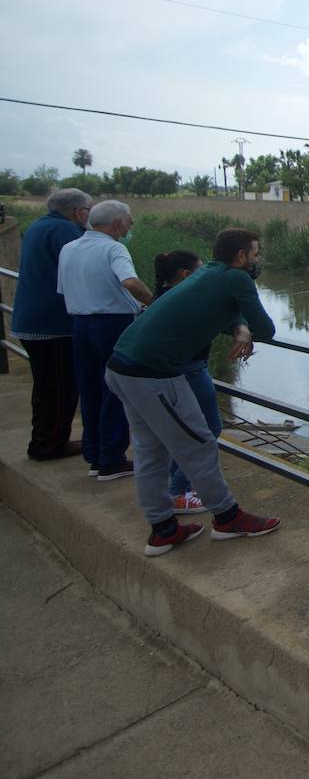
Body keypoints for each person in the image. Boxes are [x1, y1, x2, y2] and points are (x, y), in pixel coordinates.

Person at [104, 228, 281, 556]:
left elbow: (218, 310)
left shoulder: (208, 273)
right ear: (240, 257)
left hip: (121, 365)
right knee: (198, 445)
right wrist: (245, 325)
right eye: (255, 255)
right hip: (153, 375)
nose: (257, 262)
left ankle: (163, 531)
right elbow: (267, 329)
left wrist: (239, 325)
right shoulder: (237, 278)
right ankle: (228, 519)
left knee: (149, 452)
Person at [57, 199, 153, 480]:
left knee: (89, 389)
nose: (131, 226)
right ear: (117, 223)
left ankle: (95, 455)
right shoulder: (114, 248)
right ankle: (112, 459)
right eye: (129, 221)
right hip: (113, 324)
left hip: (80, 324)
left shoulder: (69, 248)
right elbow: (130, 282)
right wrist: (156, 303)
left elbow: (64, 289)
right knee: (115, 389)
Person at [12, 188, 92, 461]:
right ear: (77, 212)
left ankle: (44, 440)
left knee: (47, 386)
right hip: (53, 324)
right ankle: (49, 445)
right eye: (89, 210)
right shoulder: (65, 231)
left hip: (31, 319)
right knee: (61, 388)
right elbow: (85, 266)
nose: (90, 216)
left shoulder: (39, 226)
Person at [153, 250, 219, 514]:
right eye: (200, 270)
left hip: (170, 374)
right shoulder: (183, 301)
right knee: (208, 429)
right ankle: (179, 492)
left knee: (179, 433)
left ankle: (178, 490)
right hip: (190, 372)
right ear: (185, 275)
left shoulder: (162, 298)